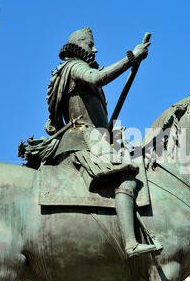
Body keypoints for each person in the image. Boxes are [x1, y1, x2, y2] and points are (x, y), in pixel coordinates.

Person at [41, 27, 156, 258]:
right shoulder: (74, 67)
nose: (95, 49)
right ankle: (131, 243)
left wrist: (110, 133)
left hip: (95, 139)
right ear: (78, 46)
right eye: (90, 44)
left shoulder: (76, 72)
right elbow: (99, 77)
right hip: (84, 142)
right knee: (126, 179)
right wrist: (131, 57)